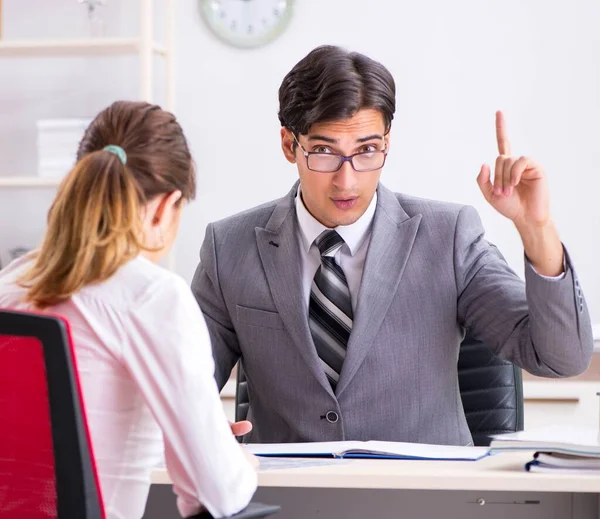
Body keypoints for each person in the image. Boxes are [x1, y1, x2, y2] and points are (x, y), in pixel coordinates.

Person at [192, 45, 593, 446]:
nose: (346, 181)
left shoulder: (449, 237)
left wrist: (535, 227)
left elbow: (560, 358)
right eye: (324, 151)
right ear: (288, 144)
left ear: (387, 142)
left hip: (425, 499)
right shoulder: (229, 247)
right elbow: (185, 381)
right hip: (289, 497)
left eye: (367, 151)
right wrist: (192, 425)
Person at [0, 101, 257, 519]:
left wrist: (188, 432)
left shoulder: (11, 283)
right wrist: (232, 460)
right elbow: (215, 494)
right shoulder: (152, 297)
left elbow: (47, 446)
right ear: (164, 207)